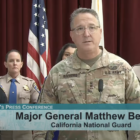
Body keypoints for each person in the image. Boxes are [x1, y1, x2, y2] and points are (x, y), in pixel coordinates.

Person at [37, 8, 140, 140]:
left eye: (92, 27)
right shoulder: (57, 72)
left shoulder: (122, 68)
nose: (86, 33)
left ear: (100, 32)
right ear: (71, 35)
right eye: (79, 29)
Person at [0, 49, 39, 140]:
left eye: (17, 61)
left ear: (21, 64)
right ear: (5, 64)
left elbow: (38, 105)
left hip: (24, 133)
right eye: (11, 61)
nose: (15, 63)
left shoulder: (30, 83)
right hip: (3, 132)